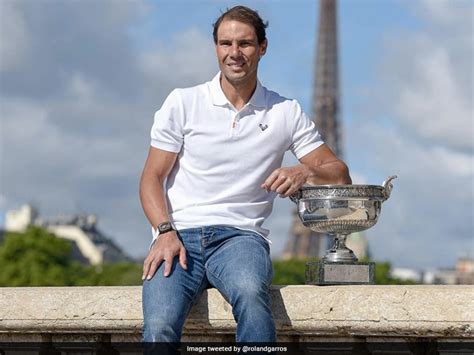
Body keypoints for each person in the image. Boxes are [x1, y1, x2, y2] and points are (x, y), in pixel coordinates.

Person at [140, 5, 351, 346]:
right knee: (160, 324)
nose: (234, 53)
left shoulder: (285, 111)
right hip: (178, 237)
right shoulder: (182, 102)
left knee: (252, 296)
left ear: (262, 47)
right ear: (216, 48)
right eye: (226, 44)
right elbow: (152, 177)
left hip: (240, 238)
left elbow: (340, 175)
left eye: (245, 44)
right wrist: (164, 231)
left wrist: (304, 170)